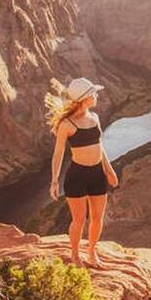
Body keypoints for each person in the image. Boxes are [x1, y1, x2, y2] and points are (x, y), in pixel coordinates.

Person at [45, 77, 119, 267]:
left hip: (97, 175)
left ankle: (92, 252)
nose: (96, 96)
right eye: (93, 93)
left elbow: (99, 146)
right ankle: (75, 255)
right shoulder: (66, 125)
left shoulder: (94, 118)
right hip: (77, 176)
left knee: (97, 218)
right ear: (85, 98)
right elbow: (58, 154)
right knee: (78, 220)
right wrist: (54, 182)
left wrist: (109, 170)